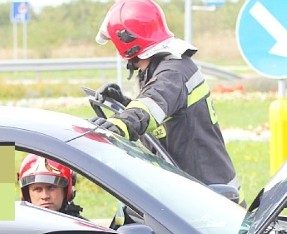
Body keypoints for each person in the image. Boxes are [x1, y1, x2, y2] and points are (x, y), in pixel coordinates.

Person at [91, 0, 239, 191]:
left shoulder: (173, 72)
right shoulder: (163, 69)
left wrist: (120, 124)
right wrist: (124, 104)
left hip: (209, 194)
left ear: (127, 45)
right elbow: (159, 122)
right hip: (197, 188)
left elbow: (152, 105)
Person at [18, 154, 83, 217]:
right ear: (27, 194)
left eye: (51, 188)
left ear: (66, 191)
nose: (45, 196)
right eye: (37, 189)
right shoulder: (15, 226)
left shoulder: (80, 227)